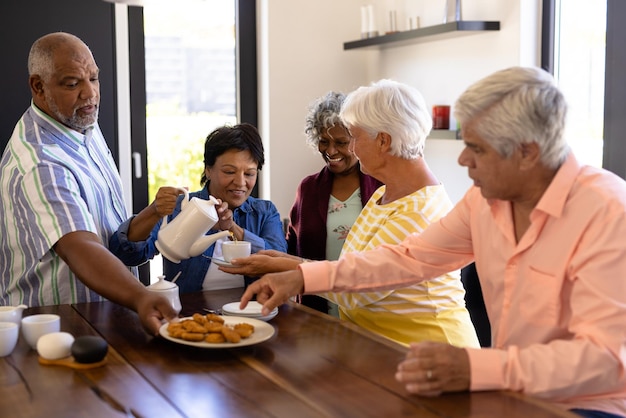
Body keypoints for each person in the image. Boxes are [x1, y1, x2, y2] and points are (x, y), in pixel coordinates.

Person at [239, 67, 626, 418]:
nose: (462, 161)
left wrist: (480, 368)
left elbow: (609, 359)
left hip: (587, 406)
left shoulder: (608, 211)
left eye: (477, 148)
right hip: (512, 394)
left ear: (527, 153)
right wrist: (305, 278)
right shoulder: (484, 200)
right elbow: (409, 258)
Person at [224, 80, 479, 348]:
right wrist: (286, 259)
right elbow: (354, 267)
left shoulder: (420, 210)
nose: (353, 149)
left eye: (354, 137)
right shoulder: (384, 195)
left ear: (383, 140)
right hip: (387, 352)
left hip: (436, 355)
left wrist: (290, 270)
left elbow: (357, 291)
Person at [0, 32, 177, 335]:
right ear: (38, 86)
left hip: (103, 321)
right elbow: (80, 245)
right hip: (56, 330)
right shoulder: (39, 162)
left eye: (93, 79)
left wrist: (152, 215)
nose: (90, 94)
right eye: (72, 84)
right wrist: (140, 295)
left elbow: (106, 230)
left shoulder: (82, 124)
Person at [109, 123, 287, 293]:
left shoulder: (264, 212)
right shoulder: (182, 208)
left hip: (253, 312)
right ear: (208, 170)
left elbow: (281, 266)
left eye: (249, 173)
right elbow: (126, 255)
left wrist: (232, 228)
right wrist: (154, 210)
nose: (240, 182)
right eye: (229, 172)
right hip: (190, 314)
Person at [288, 91, 382, 313]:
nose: (330, 151)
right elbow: (291, 247)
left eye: (341, 142)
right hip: (318, 310)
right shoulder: (308, 188)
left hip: (368, 311)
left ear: (358, 141)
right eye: (323, 141)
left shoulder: (382, 187)